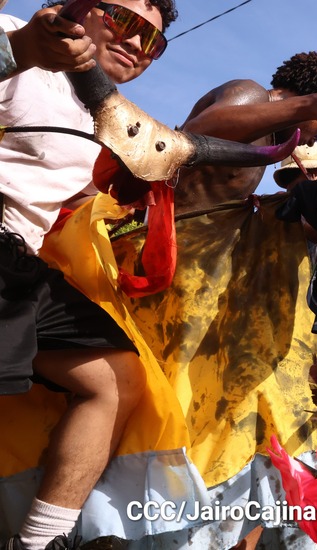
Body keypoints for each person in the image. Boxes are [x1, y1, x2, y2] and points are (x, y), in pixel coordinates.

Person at [0, 2, 177, 548]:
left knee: (118, 376)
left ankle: (39, 541)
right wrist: (17, 51)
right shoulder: (13, 32)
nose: (137, 45)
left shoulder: (106, 121)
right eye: (127, 21)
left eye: (154, 42)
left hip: (19, 262)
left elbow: (77, 203)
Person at [174, 51, 317, 213]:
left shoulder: (267, 139)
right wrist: (309, 105)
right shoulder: (253, 93)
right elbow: (195, 135)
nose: (313, 142)